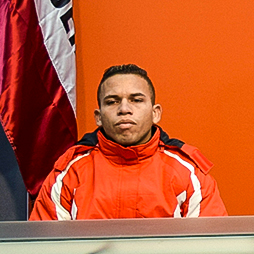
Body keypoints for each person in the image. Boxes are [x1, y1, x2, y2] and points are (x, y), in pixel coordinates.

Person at [31, 64, 227, 220]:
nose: (124, 109)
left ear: (155, 113)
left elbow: (210, 248)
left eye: (136, 100)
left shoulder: (188, 174)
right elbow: (47, 250)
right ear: (98, 117)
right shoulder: (69, 174)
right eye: (112, 101)